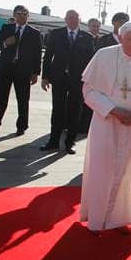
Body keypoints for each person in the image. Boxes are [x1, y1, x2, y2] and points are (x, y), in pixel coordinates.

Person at [79, 22, 131, 233]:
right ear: (120, 38)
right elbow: (89, 91)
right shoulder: (103, 55)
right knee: (102, 171)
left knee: (128, 175)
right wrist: (114, 110)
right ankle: (97, 219)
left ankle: (120, 219)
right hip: (106, 124)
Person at [39, 10, 95, 154]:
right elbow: (48, 56)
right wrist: (45, 77)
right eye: (70, 18)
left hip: (78, 81)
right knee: (57, 110)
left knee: (75, 111)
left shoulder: (87, 37)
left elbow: (91, 61)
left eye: (76, 18)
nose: (73, 20)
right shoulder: (56, 34)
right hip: (58, 78)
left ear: (80, 20)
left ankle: (70, 142)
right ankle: (53, 141)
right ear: (65, 19)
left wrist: (90, 80)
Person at [0, 5, 42, 135]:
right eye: (20, 13)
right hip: (5, 69)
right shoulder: (6, 28)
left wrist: (36, 73)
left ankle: (22, 126)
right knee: (0, 98)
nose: (23, 16)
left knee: (23, 99)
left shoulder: (34, 33)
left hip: (23, 71)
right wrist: (5, 43)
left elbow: (37, 55)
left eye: (26, 14)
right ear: (14, 15)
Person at [79, 18, 103, 133]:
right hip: (83, 73)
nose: (95, 28)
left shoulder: (101, 41)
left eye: (97, 26)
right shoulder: (82, 38)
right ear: (88, 26)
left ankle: (86, 125)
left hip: (96, 76)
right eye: (93, 26)